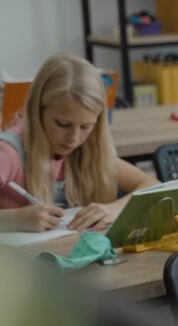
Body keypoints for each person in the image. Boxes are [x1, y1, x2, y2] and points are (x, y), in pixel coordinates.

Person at [0, 53, 158, 232]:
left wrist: (115, 208)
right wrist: (14, 219)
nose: (74, 138)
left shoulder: (89, 148)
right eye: (63, 124)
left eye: (86, 126)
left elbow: (153, 185)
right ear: (38, 111)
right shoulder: (8, 153)